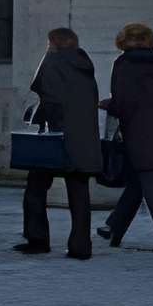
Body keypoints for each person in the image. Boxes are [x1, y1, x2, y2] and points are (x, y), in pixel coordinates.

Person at [98, 21, 153, 253]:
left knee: (151, 180)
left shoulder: (125, 63)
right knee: (140, 179)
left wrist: (106, 105)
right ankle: (114, 226)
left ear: (123, 41)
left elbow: (124, 100)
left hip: (141, 130)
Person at [16, 26, 101, 259]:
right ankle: (81, 246)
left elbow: (50, 100)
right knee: (79, 192)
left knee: (35, 188)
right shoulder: (85, 66)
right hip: (82, 139)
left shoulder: (53, 63)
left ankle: (37, 239)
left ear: (53, 44)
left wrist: (39, 119)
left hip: (55, 139)